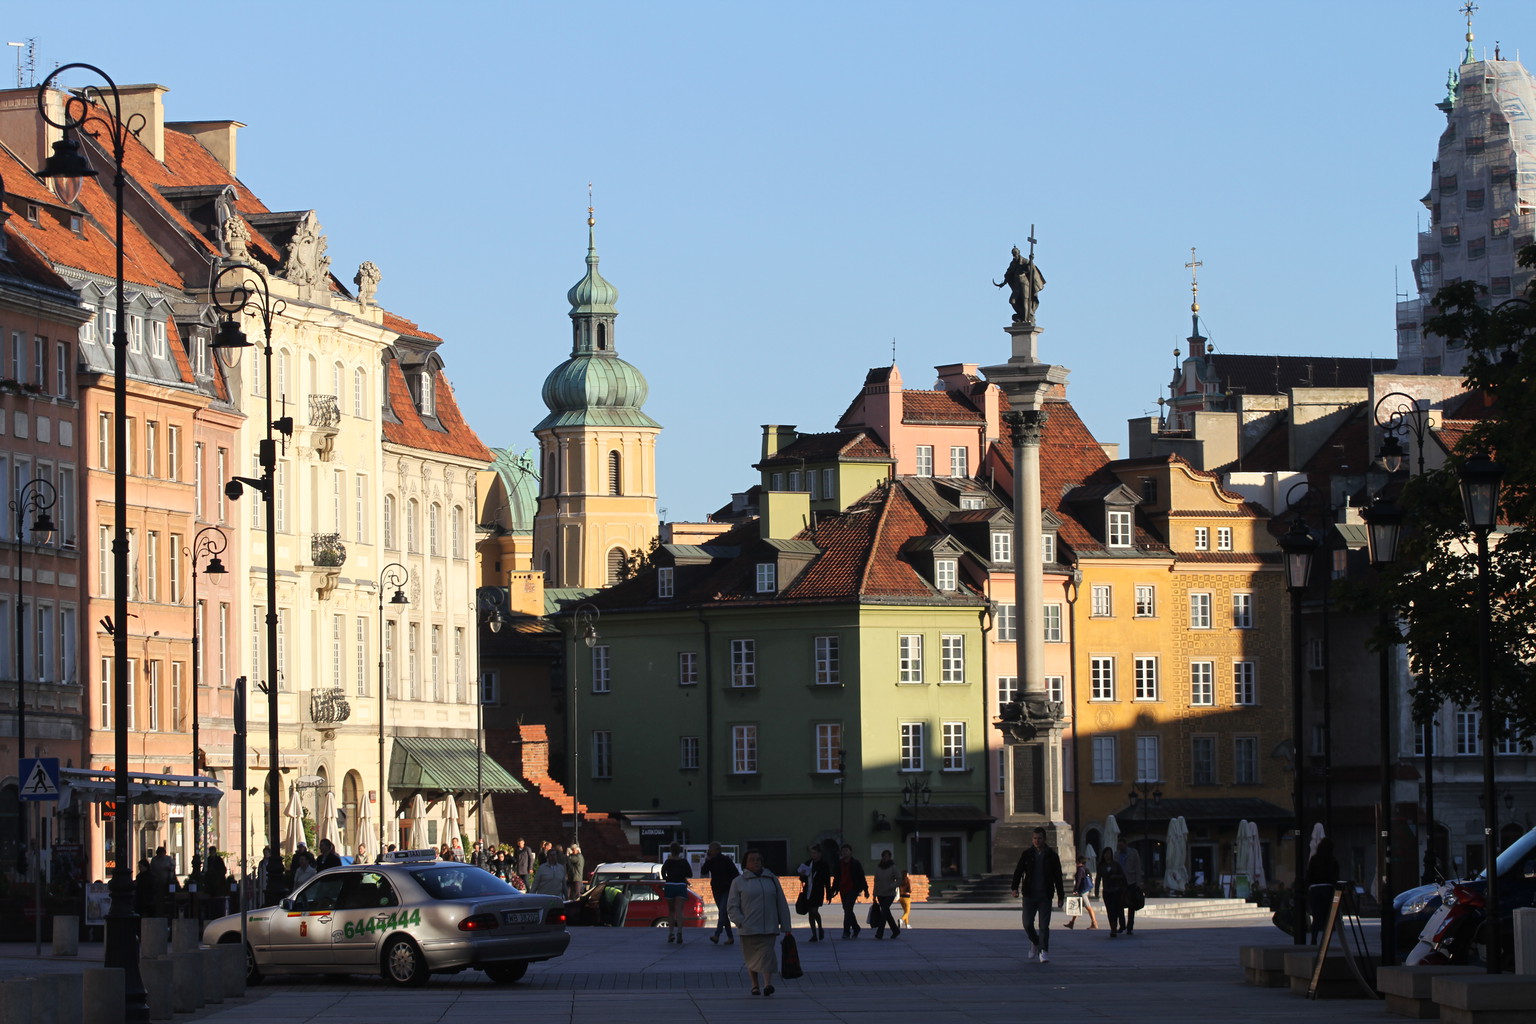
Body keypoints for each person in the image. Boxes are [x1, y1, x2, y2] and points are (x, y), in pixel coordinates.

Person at [726, 849, 793, 997]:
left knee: (767, 955)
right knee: (752, 957)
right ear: (745, 863)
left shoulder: (771, 879)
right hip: (748, 927)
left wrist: (786, 925)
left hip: (769, 925)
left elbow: (781, 902)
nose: (756, 862)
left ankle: (768, 984)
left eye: (758, 859)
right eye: (752, 860)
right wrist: (740, 921)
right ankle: (755, 985)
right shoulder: (738, 882)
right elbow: (732, 906)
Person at [1010, 827, 1066, 963]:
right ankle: (1036, 942)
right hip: (1029, 894)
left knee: (1044, 925)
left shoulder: (1052, 856)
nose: (1037, 841)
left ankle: (1043, 951)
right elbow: (1018, 871)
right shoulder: (1027, 854)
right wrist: (1014, 887)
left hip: (1045, 895)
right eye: (1035, 838)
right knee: (1027, 923)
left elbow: (1058, 877)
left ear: (1044, 839)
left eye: (1039, 838)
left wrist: (1060, 896)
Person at [702, 842, 740, 945]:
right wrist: (707, 860)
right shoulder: (711, 861)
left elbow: (735, 874)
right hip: (716, 889)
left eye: (711, 850)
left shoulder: (726, 860)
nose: (710, 851)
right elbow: (703, 871)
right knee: (723, 913)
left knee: (722, 911)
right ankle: (730, 937)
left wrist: (731, 885)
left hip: (726, 889)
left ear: (717, 850)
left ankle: (717, 934)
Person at [1305, 837, 1342, 945]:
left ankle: (1314, 937)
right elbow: (1335, 877)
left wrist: (1308, 887)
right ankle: (1325, 941)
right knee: (1327, 917)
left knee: (1316, 916)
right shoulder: (1333, 860)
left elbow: (1309, 875)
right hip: (1328, 889)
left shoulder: (1314, 859)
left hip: (1315, 889)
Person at [660, 841, 694, 943]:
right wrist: (682, 876)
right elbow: (690, 874)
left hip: (670, 885)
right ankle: (679, 931)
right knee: (679, 910)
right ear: (680, 851)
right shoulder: (684, 862)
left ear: (671, 851)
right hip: (681, 886)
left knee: (671, 911)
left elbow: (663, 872)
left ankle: (671, 933)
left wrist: (667, 878)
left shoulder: (668, 862)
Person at [798, 844, 832, 941]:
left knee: (814, 911)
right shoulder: (808, 863)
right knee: (810, 913)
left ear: (820, 854)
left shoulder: (824, 865)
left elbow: (827, 880)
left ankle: (820, 927)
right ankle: (814, 934)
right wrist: (802, 875)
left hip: (818, 891)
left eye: (815, 853)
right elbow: (803, 879)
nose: (813, 855)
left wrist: (828, 893)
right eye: (812, 853)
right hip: (808, 890)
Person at [834, 844, 869, 938]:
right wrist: (834, 889)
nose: (844, 852)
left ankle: (846, 932)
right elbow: (836, 877)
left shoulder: (855, 863)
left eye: (846, 850)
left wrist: (866, 889)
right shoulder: (839, 864)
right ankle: (856, 927)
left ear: (850, 852)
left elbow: (861, 877)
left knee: (848, 909)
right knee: (846, 909)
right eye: (843, 851)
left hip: (853, 889)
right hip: (842, 889)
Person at [1096, 846, 1128, 937]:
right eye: (1106, 854)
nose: (1107, 855)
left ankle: (1115, 927)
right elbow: (1098, 879)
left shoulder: (1116, 865)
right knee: (1110, 911)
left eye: (1109, 853)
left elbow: (1122, 876)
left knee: (1115, 909)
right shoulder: (1101, 866)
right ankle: (1113, 928)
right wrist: (1096, 890)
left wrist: (1115, 877)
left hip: (1116, 890)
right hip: (1106, 891)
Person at [870, 849, 902, 939]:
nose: (885, 858)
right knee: (886, 913)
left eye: (887, 856)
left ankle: (879, 933)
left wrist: (892, 886)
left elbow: (899, 879)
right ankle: (895, 930)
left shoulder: (893, 867)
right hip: (880, 894)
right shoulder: (878, 868)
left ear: (890, 857)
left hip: (890, 894)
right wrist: (874, 894)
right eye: (884, 856)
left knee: (883, 912)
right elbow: (876, 881)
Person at [1117, 836, 1144, 936]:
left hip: (1131, 882)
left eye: (1121, 845)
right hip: (1120, 882)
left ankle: (1130, 927)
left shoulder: (1133, 853)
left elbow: (1138, 868)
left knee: (1131, 906)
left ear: (1125, 844)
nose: (1120, 847)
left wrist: (1138, 883)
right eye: (1118, 846)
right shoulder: (1116, 854)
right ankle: (1122, 925)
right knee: (1119, 905)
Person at [1064, 854, 1098, 930]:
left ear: (1078, 862)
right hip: (1085, 890)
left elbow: (1078, 881)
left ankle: (1094, 923)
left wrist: (1075, 889)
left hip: (1083, 891)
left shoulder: (1080, 869)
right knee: (1077, 907)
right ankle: (1071, 923)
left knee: (1088, 907)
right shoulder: (1085, 869)